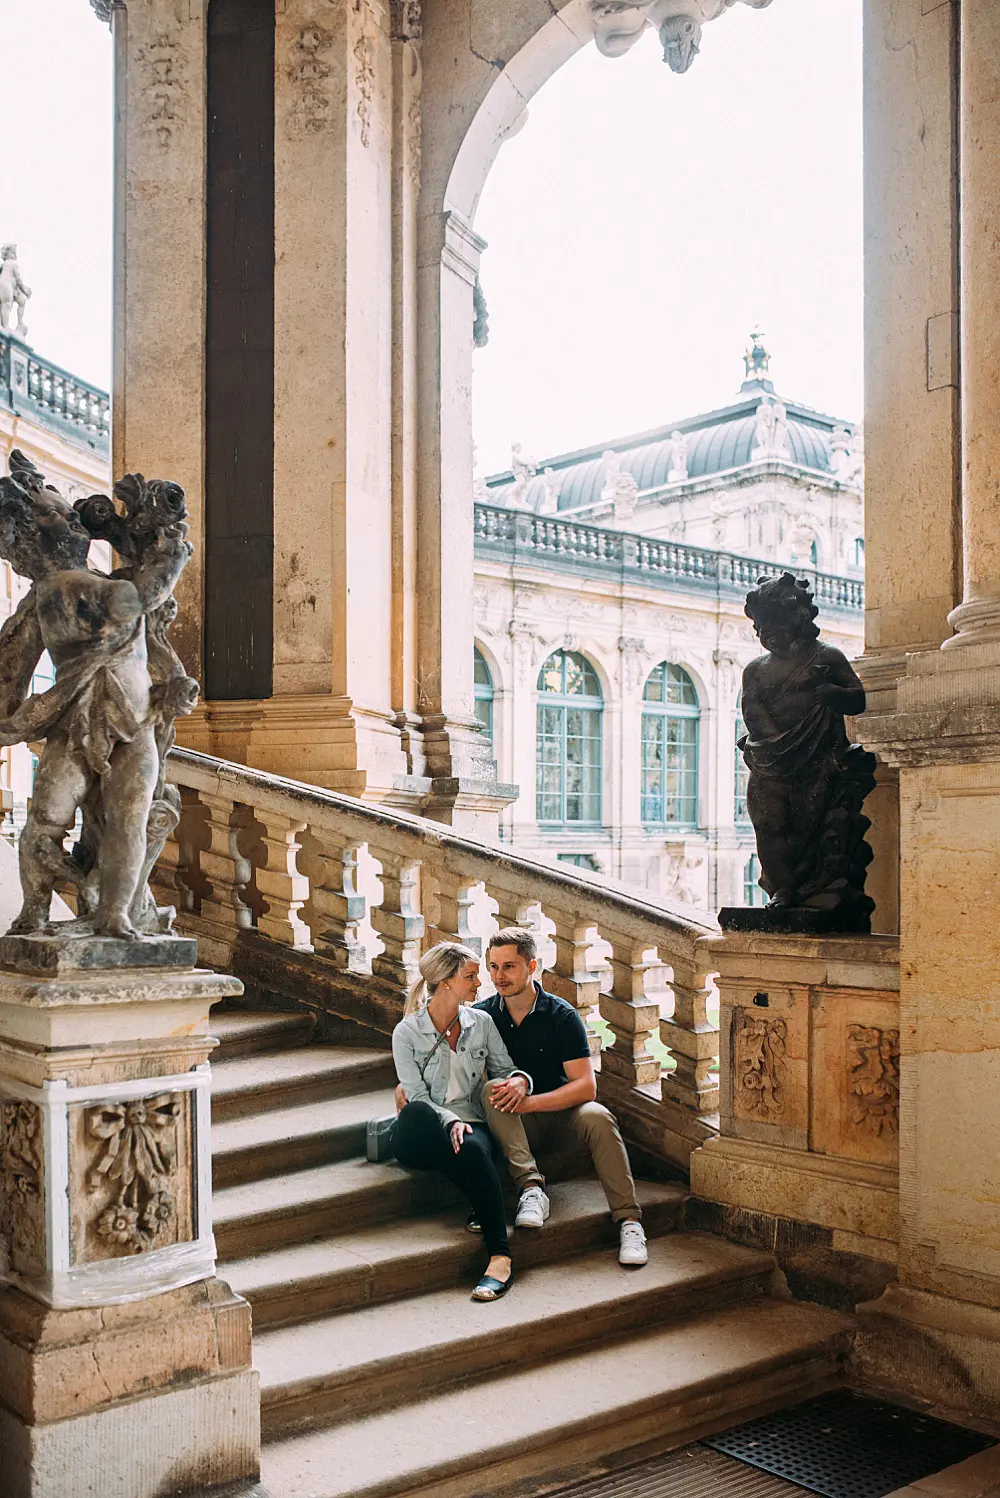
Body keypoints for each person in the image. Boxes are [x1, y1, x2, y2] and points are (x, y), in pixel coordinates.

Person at [477, 928, 648, 1268]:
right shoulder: (484, 1016)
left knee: (597, 1114)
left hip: (559, 1117)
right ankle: (530, 1189)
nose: (499, 976)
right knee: (488, 1089)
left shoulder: (561, 1015)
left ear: (531, 966)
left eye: (509, 966)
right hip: (514, 1125)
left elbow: (585, 1087)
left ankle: (629, 1222)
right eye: (493, 967)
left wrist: (532, 1102)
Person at [391, 941, 534, 1302]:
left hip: (471, 1124)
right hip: (421, 1130)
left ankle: (500, 1258)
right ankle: (480, 1191)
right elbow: (418, 1098)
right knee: (423, 1114)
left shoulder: (480, 1022)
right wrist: (449, 1119)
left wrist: (521, 1080)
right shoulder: (407, 1033)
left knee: (473, 1148)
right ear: (445, 984)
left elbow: (504, 1071)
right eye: (470, 977)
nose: (479, 984)